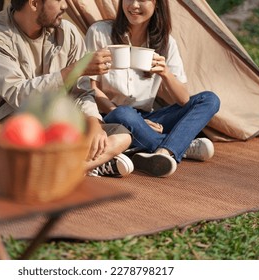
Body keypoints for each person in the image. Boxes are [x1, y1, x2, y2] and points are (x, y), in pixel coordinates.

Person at [0, 0, 134, 177]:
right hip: (12, 127)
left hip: (57, 128)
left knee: (121, 136)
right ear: (34, 3)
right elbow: (18, 94)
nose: (65, 6)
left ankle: (57, 169)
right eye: (58, 0)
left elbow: (81, 92)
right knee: (14, 151)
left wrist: (94, 123)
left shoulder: (68, 33)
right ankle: (81, 165)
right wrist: (74, 70)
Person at [85, 0, 220, 177]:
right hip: (112, 115)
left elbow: (183, 99)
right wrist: (118, 111)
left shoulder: (166, 42)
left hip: (150, 119)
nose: (133, 5)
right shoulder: (99, 33)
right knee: (124, 113)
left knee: (209, 99)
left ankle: (163, 152)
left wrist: (166, 73)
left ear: (156, 4)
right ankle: (180, 146)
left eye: (142, 0)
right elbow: (89, 87)